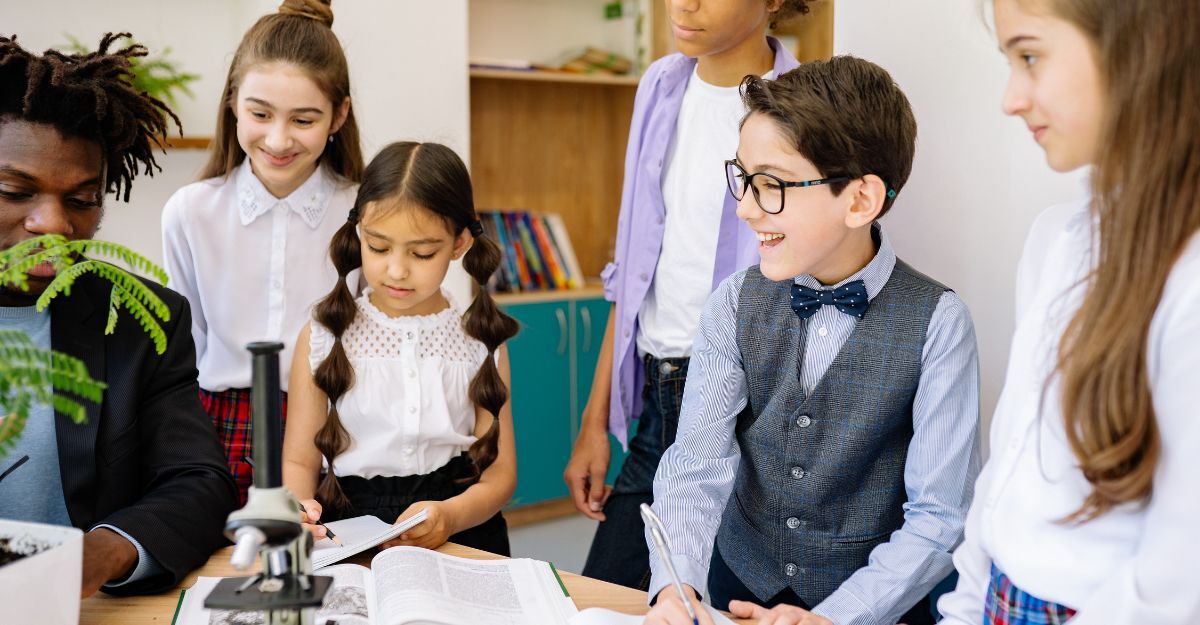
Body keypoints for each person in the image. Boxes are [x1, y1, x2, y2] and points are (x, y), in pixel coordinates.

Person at [644, 57, 981, 625]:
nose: (746, 208)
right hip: (738, 585)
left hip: (877, 607)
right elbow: (697, 465)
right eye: (744, 179)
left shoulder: (940, 323)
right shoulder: (733, 302)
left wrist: (838, 617)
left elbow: (938, 517)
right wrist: (676, 587)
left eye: (772, 185)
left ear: (860, 201)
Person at [936, 1, 1200, 624]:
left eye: (1029, 57)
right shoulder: (1055, 240)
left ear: (1137, 47)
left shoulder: (1187, 278)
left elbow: (1178, 576)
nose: (1010, 98)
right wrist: (965, 609)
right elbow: (1004, 479)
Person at [564, 0, 809, 590]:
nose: (683, 4)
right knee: (601, 597)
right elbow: (631, 275)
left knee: (709, 600)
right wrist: (594, 423)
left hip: (745, 412)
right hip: (657, 397)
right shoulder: (660, 86)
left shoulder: (804, 105)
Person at [0, 33, 238, 597]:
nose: (54, 224)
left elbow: (198, 481)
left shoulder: (141, 321)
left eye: (83, 200)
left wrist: (105, 551)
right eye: (15, 190)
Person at [161, 0, 363, 504]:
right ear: (232, 103)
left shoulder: (366, 213)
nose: (278, 138)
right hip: (218, 428)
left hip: (339, 426)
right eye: (259, 113)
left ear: (338, 115)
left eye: (303, 119)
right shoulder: (191, 211)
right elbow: (188, 343)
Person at [281, 142, 519, 555]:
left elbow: (500, 477)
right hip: (346, 527)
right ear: (359, 231)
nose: (396, 270)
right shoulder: (322, 335)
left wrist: (450, 516)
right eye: (378, 247)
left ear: (460, 242)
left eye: (422, 253)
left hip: (459, 526)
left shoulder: (481, 338)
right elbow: (300, 463)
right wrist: (300, 515)